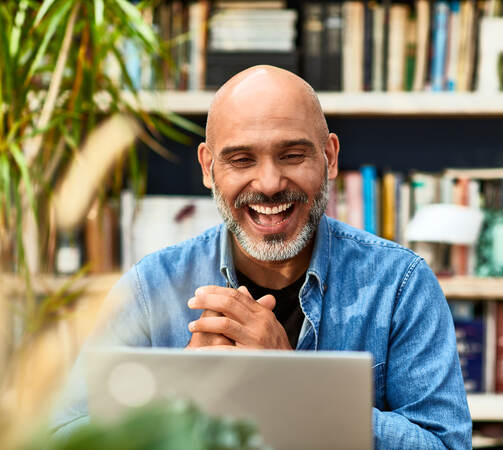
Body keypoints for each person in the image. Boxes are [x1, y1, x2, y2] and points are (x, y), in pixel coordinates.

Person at [53, 66, 472, 449]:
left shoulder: (401, 284)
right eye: (241, 159)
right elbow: (63, 438)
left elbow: (446, 446)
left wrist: (291, 384)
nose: (270, 183)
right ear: (207, 166)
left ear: (329, 157)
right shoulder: (150, 287)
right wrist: (175, 396)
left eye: (292, 155)